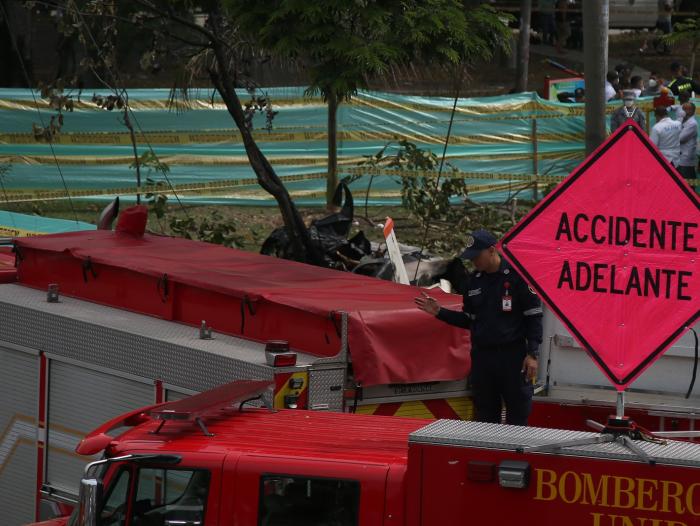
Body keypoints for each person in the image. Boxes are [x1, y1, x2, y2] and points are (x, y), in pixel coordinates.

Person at [414, 229, 543, 426]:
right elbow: (469, 320)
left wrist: (533, 353)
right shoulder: (474, 282)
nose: (474, 261)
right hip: (483, 359)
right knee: (485, 416)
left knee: (518, 415)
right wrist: (439, 312)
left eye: (477, 256)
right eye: (470, 257)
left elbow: (534, 317)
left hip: (513, 357)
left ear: (492, 250)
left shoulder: (517, 277)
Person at [678, 102, 697, 179]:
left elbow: (680, 138)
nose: (682, 111)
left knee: (688, 183)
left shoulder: (692, 123)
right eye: (683, 109)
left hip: (686, 158)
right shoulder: (682, 120)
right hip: (680, 156)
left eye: (685, 109)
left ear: (691, 111)